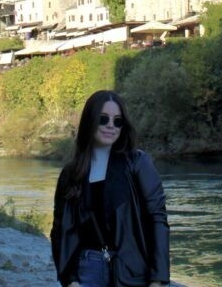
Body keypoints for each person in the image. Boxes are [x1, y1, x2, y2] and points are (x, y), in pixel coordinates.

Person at [51, 90, 170, 287]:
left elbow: (157, 218)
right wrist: (68, 279)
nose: (111, 126)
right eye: (103, 119)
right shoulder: (71, 172)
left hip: (132, 271)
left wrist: (158, 279)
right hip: (86, 271)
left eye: (118, 121)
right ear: (90, 120)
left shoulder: (138, 163)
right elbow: (59, 230)